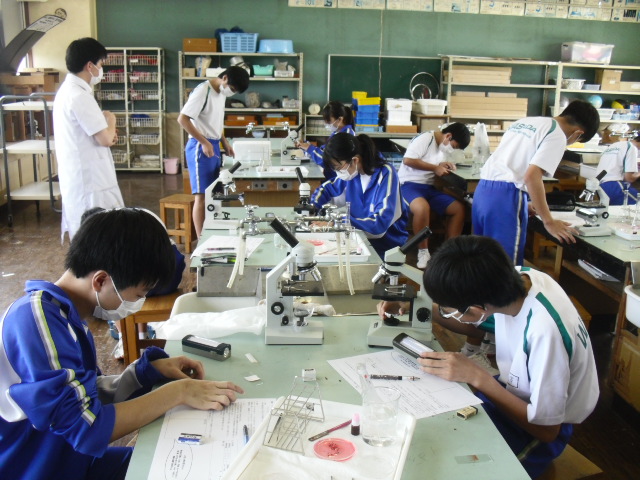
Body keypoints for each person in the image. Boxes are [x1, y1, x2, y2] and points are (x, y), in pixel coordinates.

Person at [0, 209, 243, 480]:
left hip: (73, 463)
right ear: (101, 280)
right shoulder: (36, 320)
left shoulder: (65, 316)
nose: (137, 303)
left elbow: (83, 394)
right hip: (40, 471)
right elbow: (86, 428)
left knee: (191, 465)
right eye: (138, 295)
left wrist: (146, 372)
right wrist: (178, 392)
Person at [379, 235, 599, 478]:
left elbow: (547, 431)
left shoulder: (545, 335)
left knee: (464, 469)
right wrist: (412, 306)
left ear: (475, 309)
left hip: (541, 430)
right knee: (435, 429)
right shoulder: (518, 280)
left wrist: (478, 376)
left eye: (447, 309)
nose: (445, 312)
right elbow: (478, 325)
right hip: (513, 392)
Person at [472, 100, 600, 265]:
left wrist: (522, 202)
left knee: (482, 261)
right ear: (577, 133)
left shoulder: (525, 122)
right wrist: (549, 222)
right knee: (506, 266)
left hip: (483, 192)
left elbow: (509, 166)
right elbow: (531, 177)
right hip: (506, 197)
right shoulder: (557, 134)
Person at [80, 207, 186, 360]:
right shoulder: (132, 217)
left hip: (151, 273)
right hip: (170, 272)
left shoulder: (114, 235)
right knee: (128, 291)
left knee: (118, 290)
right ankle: (142, 334)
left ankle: (124, 339)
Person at [53, 37, 124, 242]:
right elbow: (105, 139)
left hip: (82, 176)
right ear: (90, 66)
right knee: (96, 236)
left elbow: (99, 135)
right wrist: (110, 119)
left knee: (89, 235)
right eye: (101, 64)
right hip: (90, 181)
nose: (102, 70)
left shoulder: (69, 91)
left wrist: (107, 131)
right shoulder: (79, 95)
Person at [177, 66, 250, 238]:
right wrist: (204, 142)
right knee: (202, 197)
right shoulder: (203, 91)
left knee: (214, 194)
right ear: (225, 78)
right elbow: (182, 119)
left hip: (214, 144)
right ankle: (201, 241)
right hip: (200, 146)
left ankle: (212, 234)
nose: (231, 92)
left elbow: (215, 121)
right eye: (232, 88)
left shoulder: (221, 93)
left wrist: (224, 142)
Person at [310, 132, 409, 258]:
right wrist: (312, 207)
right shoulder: (352, 173)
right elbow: (326, 189)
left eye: (338, 167)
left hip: (386, 246)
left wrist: (336, 222)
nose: (337, 172)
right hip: (358, 240)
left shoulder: (386, 174)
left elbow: (379, 224)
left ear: (355, 160)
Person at [398, 122, 471, 268]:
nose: (452, 149)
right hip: (408, 185)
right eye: (454, 146)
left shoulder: (442, 147)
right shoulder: (426, 139)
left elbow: (430, 161)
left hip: (429, 187)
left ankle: (449, 251)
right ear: (448, 136)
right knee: (422, 208)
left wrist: (443, 164)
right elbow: (408, 160)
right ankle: (423, 252)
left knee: (458, 209)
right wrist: (434, 168)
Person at [296, 101, 355, 179]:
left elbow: (328, 160)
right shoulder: (337, 133)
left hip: (338, 178)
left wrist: (309, 148)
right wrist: (306, 147)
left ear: (340, 119)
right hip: (331, 175)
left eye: (329, 121)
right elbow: (325, 150)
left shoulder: (346, 136)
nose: (327, 125)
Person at [595, 135, 640, 205]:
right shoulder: (632, 148)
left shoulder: (614, 145)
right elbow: (629, 178)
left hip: (601, 186)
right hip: (615, 186)